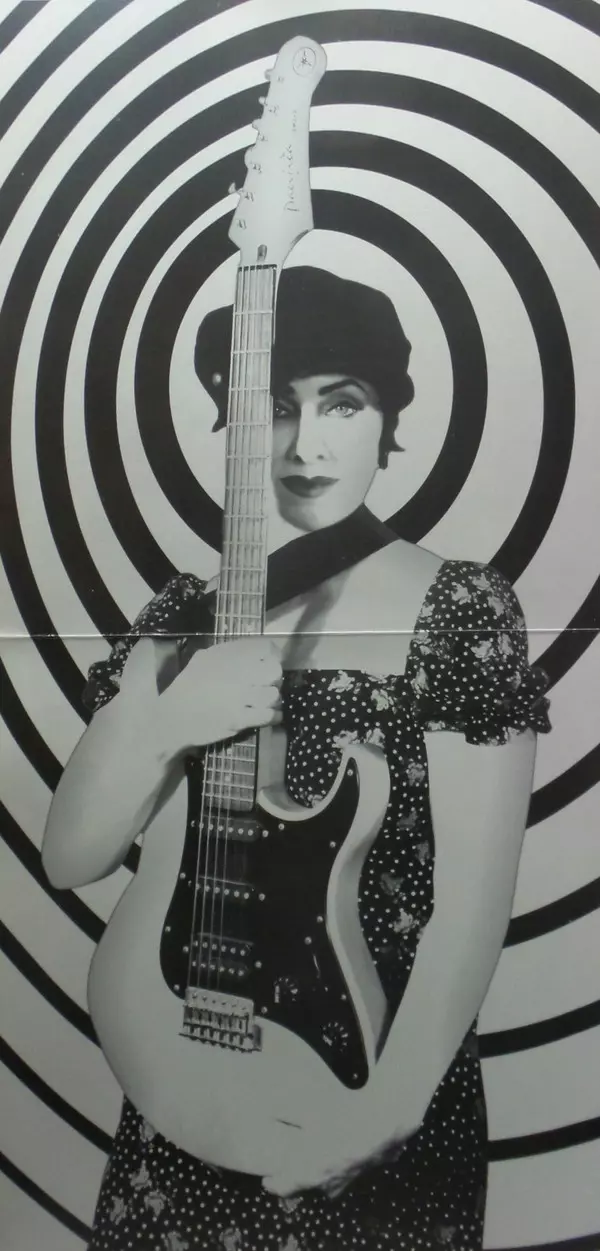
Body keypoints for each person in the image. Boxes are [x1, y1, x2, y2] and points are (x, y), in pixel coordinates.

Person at [42, 267, 552, 1251]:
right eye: (276, 407)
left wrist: (385, 1113)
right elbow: (70, 857)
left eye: (341, 404)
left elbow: (470, 907)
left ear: (386, 420)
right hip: (181, 1077)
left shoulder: (457, 611)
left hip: (368, 1075)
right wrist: (167, 722)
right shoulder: (183, 617)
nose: (305, 443)